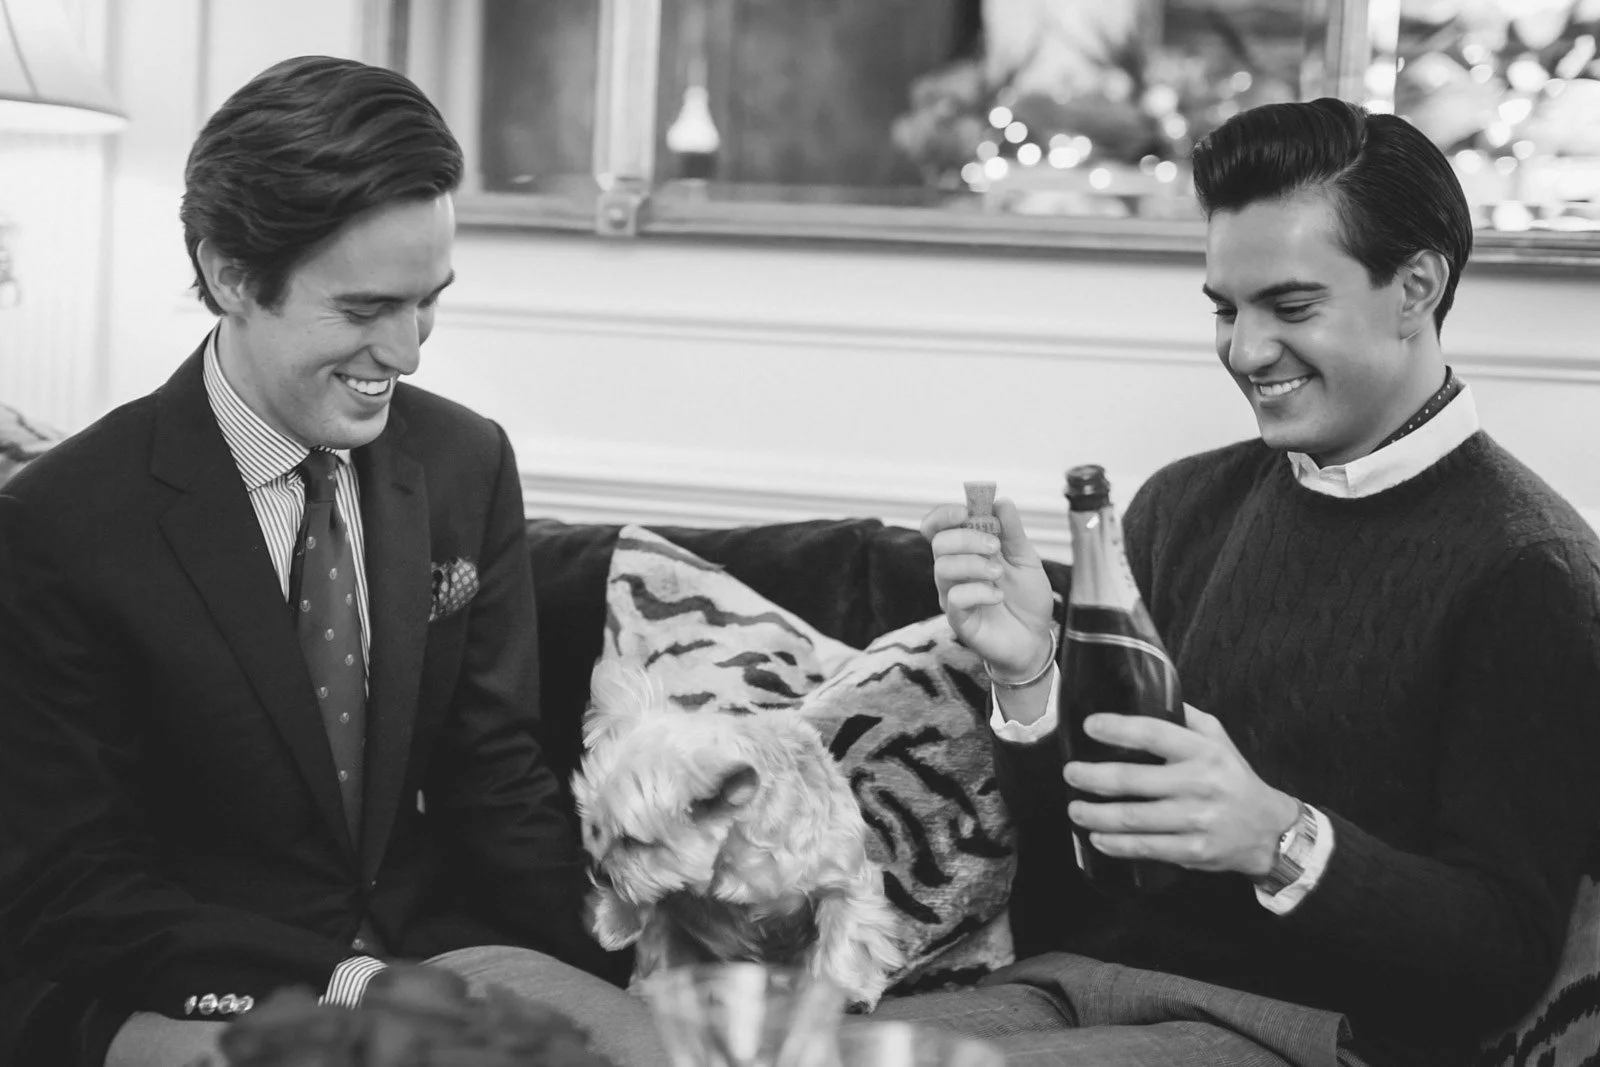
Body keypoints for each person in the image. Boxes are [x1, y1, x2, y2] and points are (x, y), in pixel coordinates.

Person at [905, 98, 1600, 1066]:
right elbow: (1089, 865)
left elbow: (1503, 954)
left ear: (1415, 288)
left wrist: (1279, 836)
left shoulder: (1532, 571)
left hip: (1303, 1033)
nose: (1243, 350)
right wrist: (1029, 677)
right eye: (1225, 309)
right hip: (1067, 990)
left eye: (1290, 306)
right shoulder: (1181, 504)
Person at [0, 56, 665, 1067]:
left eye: (427, 300)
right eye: (363, 310)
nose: (404, 350)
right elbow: (77, 881)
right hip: (196, 981)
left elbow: (495, 775)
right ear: (230, 272)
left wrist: (623, 972)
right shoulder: (60, 524)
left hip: (440, 952)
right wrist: (347, 983)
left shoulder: (463, 460)